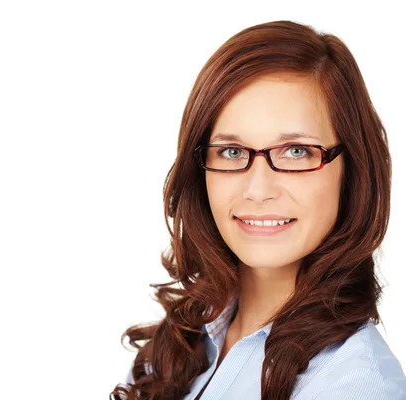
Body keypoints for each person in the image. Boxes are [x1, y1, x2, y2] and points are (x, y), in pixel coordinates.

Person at [109, 20, 406, 400]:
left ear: (353, 171)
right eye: (231, 152)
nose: (258, 190)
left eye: (297, 151)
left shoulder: (355, 385)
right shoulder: (180, 346)